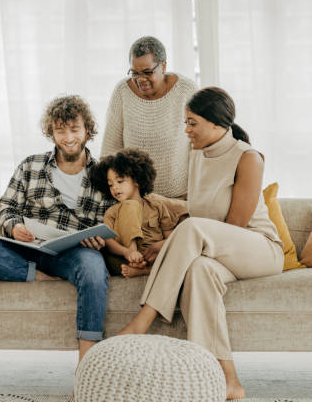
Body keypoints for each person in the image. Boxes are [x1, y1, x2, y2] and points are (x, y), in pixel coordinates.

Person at [117, 87, 284, 400]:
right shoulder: (196, 155)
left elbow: (232, 226)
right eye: (185, 122)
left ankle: (143, 320)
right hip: (217, 253)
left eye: (192, 123)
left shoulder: (248, 158)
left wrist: (173, 246)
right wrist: (169, 243)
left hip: (259, 249)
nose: (186, 130)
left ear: (217, 123)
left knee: (193, 234)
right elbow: (198, 217)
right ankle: (225, 379)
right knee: (199, 273)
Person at [0, 95, 113, 363]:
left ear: (87, 131)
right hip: (26, 249)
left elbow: (111, 220)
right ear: (51, 133)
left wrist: (97, 239)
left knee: (93, 268)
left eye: (75, 129)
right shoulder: (31, 165)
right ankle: (38, 275)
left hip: (73, 254)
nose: (68, 137)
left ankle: (87, 362)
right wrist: (15, 226)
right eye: (60, 130)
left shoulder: (102, 173)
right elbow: (6, 207)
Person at [101, 36, 197, 199]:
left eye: (147, 72)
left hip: (180, 198)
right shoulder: (122, 92)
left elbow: (200, 145)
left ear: (163, 66)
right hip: (136, 199)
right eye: (135, 73)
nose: (141, 79)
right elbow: (110, 151)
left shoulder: (186, 90)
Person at [90, 148, 188, 278]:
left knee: (182, 254)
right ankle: (136, 261)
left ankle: (144, 270)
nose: (115, 188)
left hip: (154, 255)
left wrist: (160, 246)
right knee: (129, 206)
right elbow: (109, 242)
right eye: (110, 185)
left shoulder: (157, 205)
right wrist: (127, 252)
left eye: (120, 181)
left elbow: (170, 237)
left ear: (136, 180)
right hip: (123, 258)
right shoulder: (112, 212)